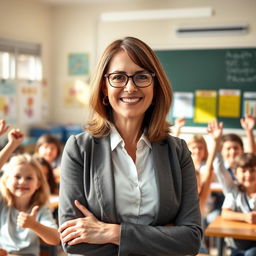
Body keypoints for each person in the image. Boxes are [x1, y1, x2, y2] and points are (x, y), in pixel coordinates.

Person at [58, 36, 202, 256]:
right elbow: (73, 241)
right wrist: (163, 237)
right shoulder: (79, 149)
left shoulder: (178, 151)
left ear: (155, 86)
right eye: (118, 77)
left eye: (142, 76)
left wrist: (112, 233)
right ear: (104, 88)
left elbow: (190, 239)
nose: (131, 87)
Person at [0, 154, 60, 255]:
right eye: (17, 176)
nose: (22, 181)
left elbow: (56, 238)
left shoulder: (41, 209)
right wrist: (12, 145)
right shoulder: (3, 201)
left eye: (29, 178)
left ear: (38, 184)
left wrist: (34, 225)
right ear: (6, 180)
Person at [221, 153, 256, 256]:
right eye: (244, 171)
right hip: (238, 244)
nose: (248, 175)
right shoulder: (234, 191)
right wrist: (245, 217)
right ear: (235, 174)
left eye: (252, 171)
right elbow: (225, 213)